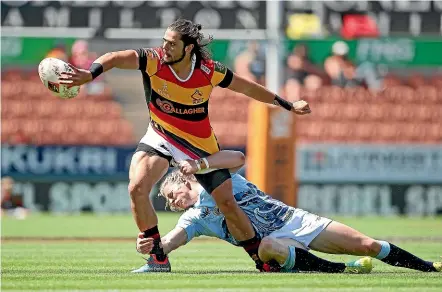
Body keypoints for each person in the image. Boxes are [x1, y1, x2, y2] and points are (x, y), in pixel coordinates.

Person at [58, 19, 311, 272]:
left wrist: (287, 105)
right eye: (164, 41)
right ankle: (158, 258)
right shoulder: (153, 61)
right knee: (136, 187)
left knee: (227, 205)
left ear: (188, 48)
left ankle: (261, 260)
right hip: (160, 134)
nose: (165, 47)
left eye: (171, 43)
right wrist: (90, 74)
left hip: (198, 145)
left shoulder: (210, 71)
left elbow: (248, 88)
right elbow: (114, 57)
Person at [133, 150, 442, 274]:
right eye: (169, 203)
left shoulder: (221, 182)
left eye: (173, 195)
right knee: (268, 247)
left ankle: (429, 267)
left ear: (186, 182)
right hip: (274, 247)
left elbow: (238, 156)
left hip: (296, 220)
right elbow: (169, 242)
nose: (173, 204)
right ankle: (343, 270)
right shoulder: (194, 218)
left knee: (369, 245)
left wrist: (202, 163)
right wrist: (149, 245)